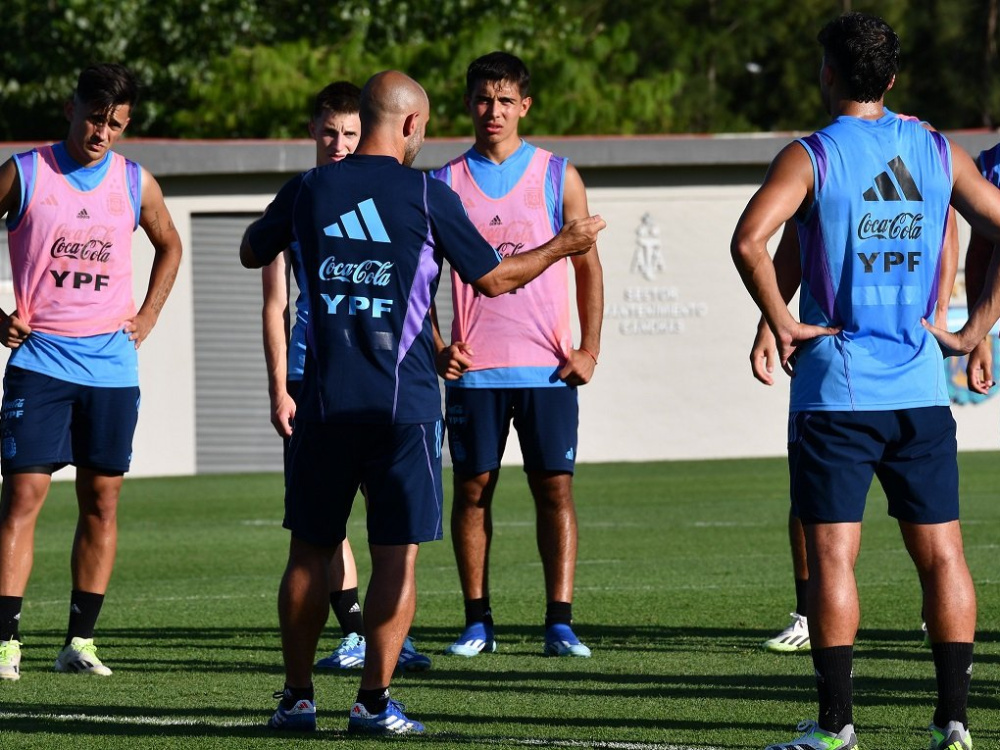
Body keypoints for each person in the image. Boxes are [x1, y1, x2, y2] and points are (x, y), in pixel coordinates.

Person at [240, 70, 605, 735]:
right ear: (411, 124)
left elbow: (250, 249)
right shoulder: (428, 194)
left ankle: (296, 699)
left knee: (308, 552)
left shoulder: (310, 188)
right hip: (401, 408)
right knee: (395, 556)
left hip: (321, 402)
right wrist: (563, 245)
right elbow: (494, 279)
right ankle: (372, 704)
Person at [731, 12, 1000, 750]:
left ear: (828, 73)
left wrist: (780, 321)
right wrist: (974, 328)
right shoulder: (936, 149)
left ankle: (837, 726)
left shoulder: (812, 155)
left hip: (837, 393)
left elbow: (749, 241)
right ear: (892, 77)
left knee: (832, 558)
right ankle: (954, 722)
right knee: (944, 555)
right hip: (921, 390)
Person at [0, 63, 182, 681]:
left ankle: (79, 642)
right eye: (95, 119)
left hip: (110, 369)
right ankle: (5, 642)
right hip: (41, 363)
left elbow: (170, 244)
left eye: (116, 124)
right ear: (70, 109)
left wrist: (148, 315)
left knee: (102, 502)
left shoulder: (134, 181)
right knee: (22, 497)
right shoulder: (25, 172)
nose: (102, 133)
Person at [430, 51, 604, 659]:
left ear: (525, 106)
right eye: (483, 99)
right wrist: (437, 347)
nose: (494, 111)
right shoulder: (442, 183)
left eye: (505, 100)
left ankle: (560, 622)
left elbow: (588, 267)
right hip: (475, 371)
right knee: (473, 492)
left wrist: (590, 348)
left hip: (548, 370)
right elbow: (419, 279)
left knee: (554, 491)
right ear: (468, 104)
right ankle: (477, 622)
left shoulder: (559, 175)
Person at [259, 80, 430, 673]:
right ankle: (357, 639)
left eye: (351, 134)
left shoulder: (390, 197)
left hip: (379, 380)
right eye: (330, 132)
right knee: (321, 529)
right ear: (313, 130)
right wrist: (279, 388)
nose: (339, 144)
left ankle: (370, 637)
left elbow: (413, 292)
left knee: (384, 529)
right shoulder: (303, 197)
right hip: (313, 380)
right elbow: (274, 303)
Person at [756, 202, 958, 654]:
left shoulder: (926, 164)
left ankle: (839, 716)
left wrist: (950, 316)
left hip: (859, 381)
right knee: (937, 550)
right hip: (857, 377)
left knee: (914, 548)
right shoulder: (825, 169)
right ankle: (808, 616)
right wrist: (773, 320)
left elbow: (748, 241)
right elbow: (795, 239)